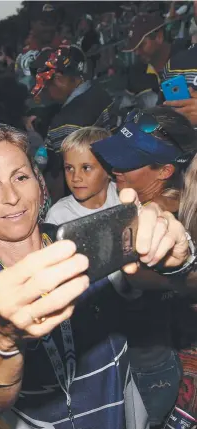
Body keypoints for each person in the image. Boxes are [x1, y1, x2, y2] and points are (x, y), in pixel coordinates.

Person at [0, 123, 195, 427]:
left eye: (20, 177)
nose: (12, 197)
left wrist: (180, 261)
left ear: (38, 181)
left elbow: (186, 288)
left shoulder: (89, 244)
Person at [92, 106, 197, 425]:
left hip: (167, 367)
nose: (114, 168)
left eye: (129, 161)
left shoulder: (165, 220)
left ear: (165, 170)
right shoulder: (135, 201)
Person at [30, 44, 115, 202]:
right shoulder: (100, 93)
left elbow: (60, 177)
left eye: (47, 88)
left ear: (60, 80)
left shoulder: (65, 122)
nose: (47, 94)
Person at [45, 127, 120, 225]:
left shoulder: (124, 196)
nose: (75, 178)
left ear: (108, 169)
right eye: (69, 168)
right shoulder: (58, 217)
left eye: (86, 168)